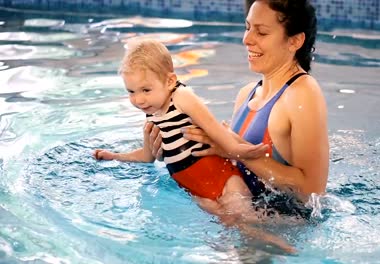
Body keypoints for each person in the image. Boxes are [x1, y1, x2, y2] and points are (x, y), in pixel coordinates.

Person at [93, 39, 296, 252]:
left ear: (170, 80)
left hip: (223, 177)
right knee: (229, 226)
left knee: (246, 218)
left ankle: (283, 241)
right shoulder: (152, 114)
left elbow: (215, 129)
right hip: (196, 190)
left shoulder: (181, 97)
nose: (139, 99)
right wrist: (114, 156)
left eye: (146, 89)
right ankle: (262, 244)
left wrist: (240, 151)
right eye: (131, 92)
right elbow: (147, 156)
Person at [150, 0, 329, 219]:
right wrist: (173, 146)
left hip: (284, 230)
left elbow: (312, 192)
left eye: (261, 32)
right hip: (240, 217)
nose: (247, 39)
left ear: (295, 41)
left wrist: (234, 150)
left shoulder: (302, 92)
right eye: (247, 27)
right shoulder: (247, 94)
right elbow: (235, 168)